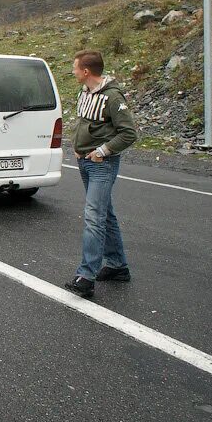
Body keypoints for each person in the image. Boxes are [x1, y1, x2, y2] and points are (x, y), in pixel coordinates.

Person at [64, 49, 139, 299]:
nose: (73, 71)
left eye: (75, 68)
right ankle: (118, 266)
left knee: (93, 216)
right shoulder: (84, 92)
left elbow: (129, 133)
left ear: (86, 71)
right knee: (105, 214)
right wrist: (78, 147)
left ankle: (86, 275)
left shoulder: (113, 98)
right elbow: (84, 124)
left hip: (102, 165)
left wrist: (102, 151)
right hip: (85, 162)